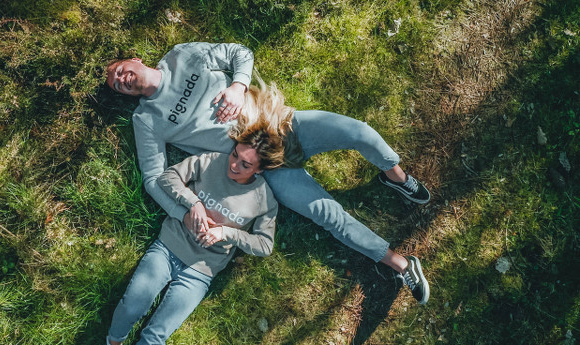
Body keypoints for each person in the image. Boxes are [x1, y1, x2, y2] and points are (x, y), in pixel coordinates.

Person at [105, 42, 429, 305]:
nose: (121, 79)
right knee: (330, 217)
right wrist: (187, 207)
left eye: (119, 71)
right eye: (117, 86)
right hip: (263, 168)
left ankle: (396, 177)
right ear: (125, 95)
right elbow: (153, 177)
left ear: (134, 60)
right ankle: (401, 264)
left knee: (360, 133)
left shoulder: (181, 56)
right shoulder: (147, 120)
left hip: (282, 124)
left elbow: (239, 52)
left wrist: (237, 86)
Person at [82, 128, 283, 345]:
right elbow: (168, 176)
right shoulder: (212, 160)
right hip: (168, 246)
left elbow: (264, 245)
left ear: (261, 169)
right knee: (132, 303)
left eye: (245, 164)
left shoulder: (264, 199)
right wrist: (194, 203)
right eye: (235, 155)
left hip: (200, 272)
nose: (234, 165)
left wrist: (227, 233)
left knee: (156, 336)